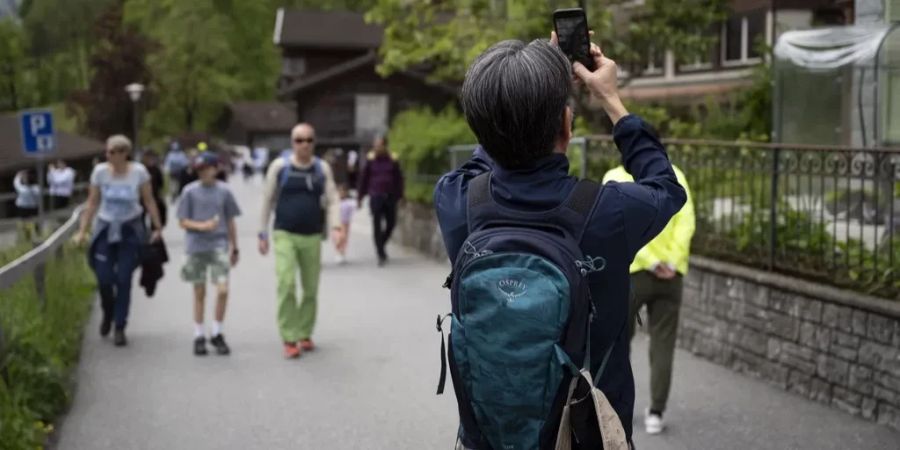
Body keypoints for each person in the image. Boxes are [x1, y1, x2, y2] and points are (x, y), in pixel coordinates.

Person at [433, 35, 685, 449]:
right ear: (567, 127)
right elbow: (666, 186)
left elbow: (488, 149)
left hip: (487, 437)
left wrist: (511, 90)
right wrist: (610, 100)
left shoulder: (458, 200)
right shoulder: (608, 211)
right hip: (586, 437)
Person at [603, 164, 695, 435]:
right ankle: (656, 412)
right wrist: (672, 261)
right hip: (671, 275)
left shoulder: (615, 177)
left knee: (618, 343)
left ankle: (616, 410)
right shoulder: (676, 174)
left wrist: (650, 261)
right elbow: (686, 221)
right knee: (663, 343)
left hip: (632, 274)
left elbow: (614, 228)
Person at [258, 123, 344, 359]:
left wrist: (337, 227)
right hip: (284, 233)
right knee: (286, 284)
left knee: (310, 288)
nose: (304, 144)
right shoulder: (280, 167)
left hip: (312, 235)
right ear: (292, 142)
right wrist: (261, 233)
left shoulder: (321, 168)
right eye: (299, 140)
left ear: (314, 142)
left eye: (309, 140)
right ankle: (289, 336)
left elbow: (333, 198)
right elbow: (266, 199)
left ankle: (304, 332)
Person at [75, 135, 163, 347]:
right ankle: (108, 311)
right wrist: (82, 231)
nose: (110, 155)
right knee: (104, 278)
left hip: (129, 228)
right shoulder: (100, 172)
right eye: (108, 152)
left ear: (125, 153)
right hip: (106, 227)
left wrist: (156, 226)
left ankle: (120, 326)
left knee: (123, 279)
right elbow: (92, 202)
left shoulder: (138, 172)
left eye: (115, 152)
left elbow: (149, 200)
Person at [177, 153, 241, 356]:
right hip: (196, 245)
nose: (204, 172)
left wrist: (235, 246)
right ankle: (198, 334)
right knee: (199, 291)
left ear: (216, 169)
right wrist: (202, 226)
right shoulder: (190, 192)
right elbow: (182, 221)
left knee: (222, 289)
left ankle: (217, 331)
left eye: (208, 168)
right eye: (200, 169)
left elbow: (230, 219)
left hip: (219, 244)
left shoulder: (224, 192)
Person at [357, 135, 404, 266]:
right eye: (375, 145)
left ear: (385, 146)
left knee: (391, 223)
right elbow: (364, 179)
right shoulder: (370, 160)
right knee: (377, 225)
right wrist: (360, 197)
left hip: (390, 196)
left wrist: (400, 195)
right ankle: (380, 253)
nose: (377, 148)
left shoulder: (393, 159)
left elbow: (399, 179)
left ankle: (381, 244)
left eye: (379, 145)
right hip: (375, 196)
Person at [141, 150, 168, 228]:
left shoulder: (156, 169)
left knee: (160, 208)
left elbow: (161, 183)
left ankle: (156, 228)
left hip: (154, 195)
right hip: (141, 197)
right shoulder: (140, 169)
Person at [335, 184, 355, 264]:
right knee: (338, 237)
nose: (341, 193)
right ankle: (338, 251)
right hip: (336, 222)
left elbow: (353, 208)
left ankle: (342, 253)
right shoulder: (335, 202)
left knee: (344, 238)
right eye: (339, 191)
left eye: (343, 191)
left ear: (346, 192)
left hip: (346, 223)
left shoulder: (349, 202)